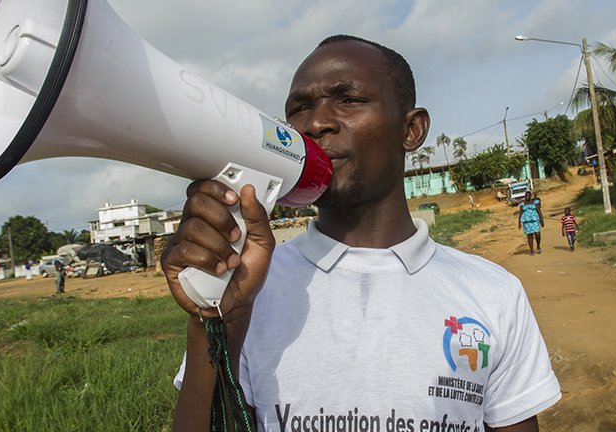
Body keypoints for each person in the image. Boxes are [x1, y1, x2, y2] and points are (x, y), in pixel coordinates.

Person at [163, 35, 560, 431]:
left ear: (412, 130)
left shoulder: (494, 294)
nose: (316, 123)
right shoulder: (250, 287)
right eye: (299, 109)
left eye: (348, 99)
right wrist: (215, 323)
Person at [517, 191, 543, 255]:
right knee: (529, 235)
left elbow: (539, 210)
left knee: (537, 234)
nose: (527, 197)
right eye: (526, 195)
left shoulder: (534, 202)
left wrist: (541, 220)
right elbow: (520, 213)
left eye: (528, 195)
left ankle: (538, 246)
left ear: (530, 196)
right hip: (526, 222)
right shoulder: (522, 204)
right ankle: (531, 250)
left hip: (535, 220)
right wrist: (519, 223)